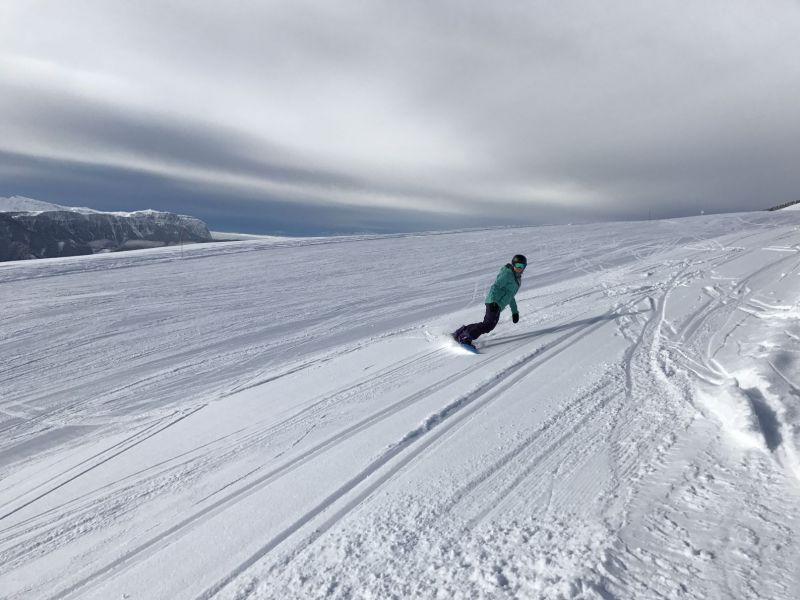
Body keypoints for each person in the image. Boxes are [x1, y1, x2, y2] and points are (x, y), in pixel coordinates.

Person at [452, 254, 527, 349]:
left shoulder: (517, 279)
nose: (520, 268)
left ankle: (460, 332)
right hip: (494, 302)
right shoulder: (508, 275)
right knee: (488, 325)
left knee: (488, 324)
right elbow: (495, 287)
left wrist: (515, 312)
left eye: (522, 266)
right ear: (513, 265)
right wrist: (493, 301)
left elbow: (510, 296)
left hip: (498, 304)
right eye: (518, 266)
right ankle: (464, 337)